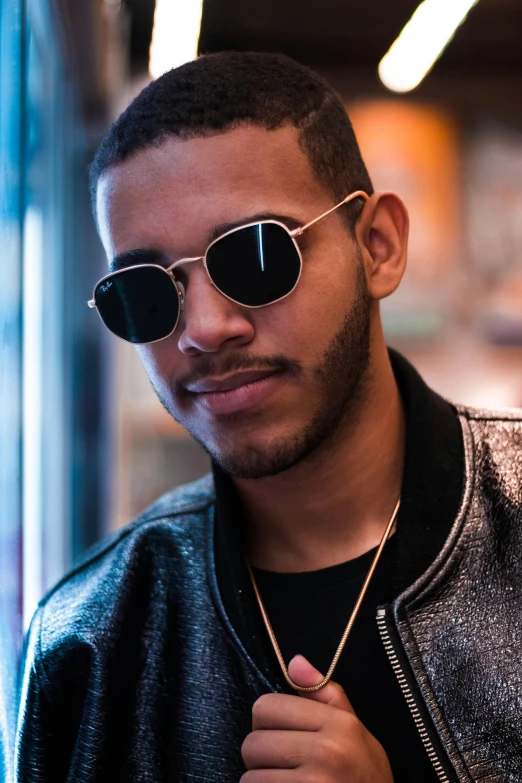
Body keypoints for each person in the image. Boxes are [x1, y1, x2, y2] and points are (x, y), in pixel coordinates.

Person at [15, 51, 522, 783]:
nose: (205, 328)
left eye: (256, 256)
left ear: (377, 246)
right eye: (148, 294)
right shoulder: (88, 640)